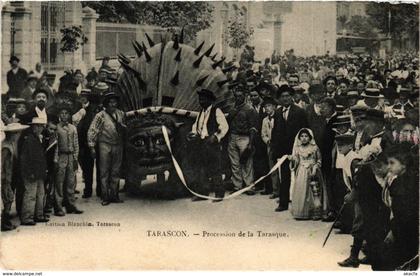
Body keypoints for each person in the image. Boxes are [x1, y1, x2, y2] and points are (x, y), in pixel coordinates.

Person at [379, 143, 419, 270]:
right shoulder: (408, 179)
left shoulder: (402, 184)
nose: (389, 167)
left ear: (404, 164)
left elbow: (404, 214)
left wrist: (393, 231)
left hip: (405, 231)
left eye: (392, 163)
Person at [187, 88, 229, 202]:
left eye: (203, 98)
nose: (201, 101)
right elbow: (196, 126)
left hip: (212, 144)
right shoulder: (201, 112)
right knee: (201, 168)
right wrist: (193, 134)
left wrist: (215, 136)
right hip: (201, 143)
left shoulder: (216, 111)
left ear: (210, 100)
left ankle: (219, 194)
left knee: (215, 168)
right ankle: (202, 193)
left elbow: (224, 127)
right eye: (200, 99)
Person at [271, 85, 308, 211]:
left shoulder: (300, 111)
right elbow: (275, 132)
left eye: (288, 96)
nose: (286, 99)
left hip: (297, 149)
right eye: (283, 96)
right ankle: (283, 203)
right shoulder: (277, 113)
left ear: (292, 97)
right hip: (283, 151)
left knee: (299, 175)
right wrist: (275, 150)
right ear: (279, 99)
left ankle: (300, 203)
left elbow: (305, 130)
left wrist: (303, 148)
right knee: (284, 176)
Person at [88, 92, 126, 206]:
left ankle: (114, 195)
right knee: (104, 171)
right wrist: (91, 146)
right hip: (104, 144)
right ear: (106, 104)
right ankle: (105, 196)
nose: (113, 104)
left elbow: (125, 128)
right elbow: (92, 130)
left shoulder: (121, 114)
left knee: (116, 171)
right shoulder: (100, 115)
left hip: (118, 144)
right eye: (110, 102)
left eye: (115, 102)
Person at [227, 85, 258, 195]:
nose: (238, 98)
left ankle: (249, 186)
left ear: (245, 96)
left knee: (247, 162)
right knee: (234, 163)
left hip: (244, 137)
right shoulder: (232, 108)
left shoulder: (250, 109)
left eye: (240, 96)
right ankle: (237, 186)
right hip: (232, 136)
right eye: (236, 96)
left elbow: (253, 128)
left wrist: (251, 143)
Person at [54, 104, 83, 216]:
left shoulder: (73, 128)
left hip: (71, 157)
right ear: (59, 115)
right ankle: (58, 207)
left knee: (71, 182)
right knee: (59, 182)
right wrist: (55, 160)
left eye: (66, 113)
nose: (64, 115)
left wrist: (75, 158)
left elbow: (76, 144)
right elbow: (55, 145)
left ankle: (71, 205)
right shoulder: (57, 128)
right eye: (62, 113)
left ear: (69, 115)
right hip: (61, 156)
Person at [289, 128, 324, 220]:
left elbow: (319, 159)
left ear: (310, 137)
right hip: (301, 171)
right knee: (301, 189)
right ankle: (301, 212)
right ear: (299, 138)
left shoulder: (314, 148)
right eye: (302, 136)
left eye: (306, 136)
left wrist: (316, 166)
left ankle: (315, 212)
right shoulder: (298, 148)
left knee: (314, 191)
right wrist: (292, 160)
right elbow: (297, 161)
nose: (304, 138)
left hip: (313, 171)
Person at [19, 117, 49, 225]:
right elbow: (26, 159)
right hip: (31, 172)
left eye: (41, 126)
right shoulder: (30, 140)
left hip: (39, 172)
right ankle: (27, 218)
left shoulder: (37, 138)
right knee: (31, 194)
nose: (40, 128)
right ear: (33, 127)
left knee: (40, 194)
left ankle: (38, 215)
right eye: (38, 126)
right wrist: (30, 172)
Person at [1, 122, 29, 231]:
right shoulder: (6, 147)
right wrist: (7, 181)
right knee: (7, 197)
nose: (20, 134)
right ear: (13, 134)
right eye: (18, 133)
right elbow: (5, 167)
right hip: (6, 177)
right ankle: (4, 222)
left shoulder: (12, 144)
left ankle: (5, 218)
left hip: (11, 175)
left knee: (8, 197)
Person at [261, 96, 278, 196]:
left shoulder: (279, 116)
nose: (267, 108)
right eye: (265, 106)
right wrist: (268, 141)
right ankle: (275, 191)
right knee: (273, 169)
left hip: (279, 146)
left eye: (269, 106)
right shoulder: (264, 120)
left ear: (274, 107)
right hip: (270, 147)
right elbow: (263, 134)